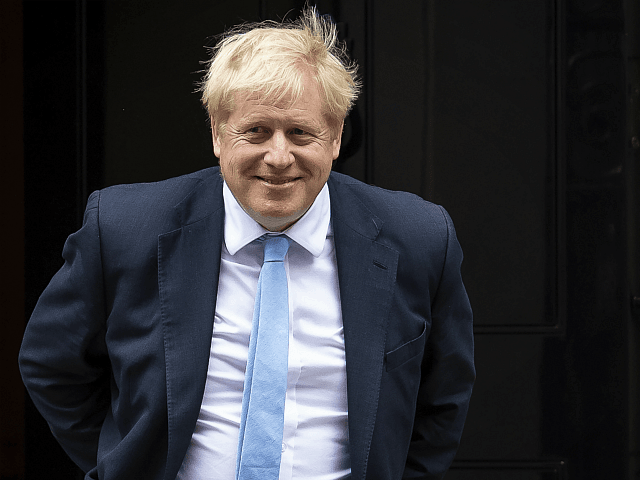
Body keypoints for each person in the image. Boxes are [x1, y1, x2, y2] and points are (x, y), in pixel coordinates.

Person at [19, 7, 474, 480]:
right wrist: (127, 462)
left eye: (301, 132)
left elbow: (443, 400)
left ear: (336, 137)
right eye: (255, 131)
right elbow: (51, 365)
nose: (279, 157)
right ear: (217, 133)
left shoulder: (419, 238)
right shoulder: (122, 229)